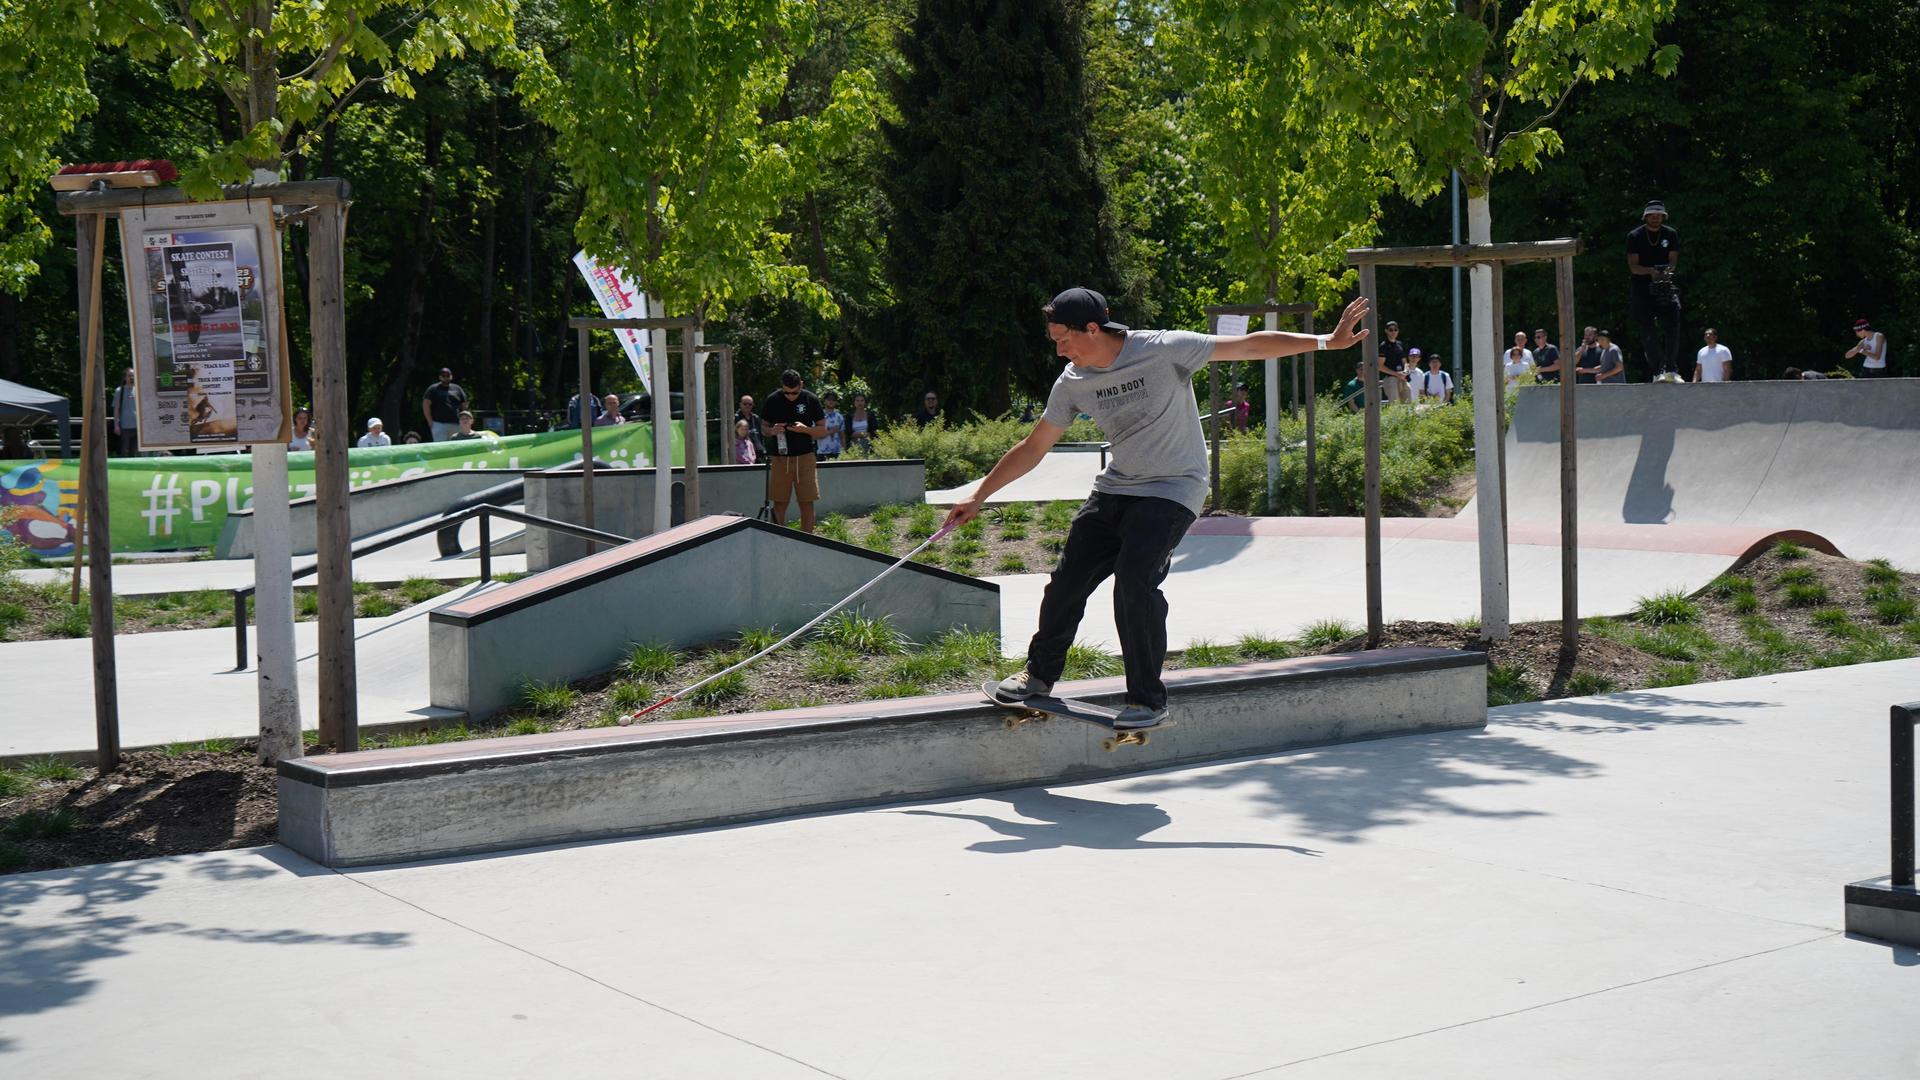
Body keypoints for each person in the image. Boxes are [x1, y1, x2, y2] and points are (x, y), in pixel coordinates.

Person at [953, 286, 1367, 729]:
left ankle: (1147, 700)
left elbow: (1248, 345)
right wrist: (979, 495)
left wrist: (1327, 341)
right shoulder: (1073, 381)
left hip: (1174, 488)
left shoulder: (1164, 348)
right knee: (1066, 583)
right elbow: (1034, 446)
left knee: (1134, 580)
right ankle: (1038, 675)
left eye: (1063, 339)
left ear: (1092, 328)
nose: (1058, 351)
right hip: (1115, 489)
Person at [758, 369, 827, 532]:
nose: (790, 396)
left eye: (794, 392)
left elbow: (822, 430)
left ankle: (808, 541)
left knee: (806, 502)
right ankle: (779, 540)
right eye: (787, 393)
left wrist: (805, 429)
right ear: (782, 387)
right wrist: (771, 431)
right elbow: (763, 428)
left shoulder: (811, 399)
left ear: (801, 384)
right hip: (780, 458)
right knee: (780, 502)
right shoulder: (773, 400)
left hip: (805, 457)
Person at [1627, 199, 1683, 379]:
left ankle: (1671, 369)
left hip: (1666, 287)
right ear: (1646, 216)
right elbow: (1633, 266)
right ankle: (1657, 371)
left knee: (1673, 325)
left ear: (1663, 216)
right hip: (1642, 289)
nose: (1655, 218)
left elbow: (1673, 260)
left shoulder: (1671, 234)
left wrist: (1666, 272)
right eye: (1652, 215)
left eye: (1658, 215)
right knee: (1648, 331)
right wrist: (1650, 272)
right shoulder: (1634, 236)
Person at [422, 367, 468, 441]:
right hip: (439, 424)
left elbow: (464, 405)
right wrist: (430, 421)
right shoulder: (433, 389)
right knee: (441, 448)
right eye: (443, 376)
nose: (446, 377)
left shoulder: (457, 388)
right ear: (440, 377)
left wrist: (464, 420)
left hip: (456, 424)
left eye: (448, 375)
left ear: (451, 376)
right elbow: (426, 404)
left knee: (457, 448)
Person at [1378, 320, 1410, 403]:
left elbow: (1405, 361)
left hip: (1402, 378)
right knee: (1395, 405)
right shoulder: (1383, 346)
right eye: (1391, 330)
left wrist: (1406, 371)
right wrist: (1396, 374)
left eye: (1395, 330)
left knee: (1408, 404)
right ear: (1386, 331)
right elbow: (1380, 366)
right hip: (1391, 379)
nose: (1393, 332)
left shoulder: (1400, 344)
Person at [111, 368, 140, 456]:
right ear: (125, 378)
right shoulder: (119, 391)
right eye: (129, 376)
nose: (132, 378)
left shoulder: (138, 390)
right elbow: (116, 409)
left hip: (137, 427)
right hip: (125, 426)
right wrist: (116, 425)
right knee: (124, 451)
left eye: (133, 376)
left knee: (134, 452)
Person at [735, 394, 766, 461]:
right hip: (743, 454)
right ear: (740, 404)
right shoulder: (736, 418)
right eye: (745, 404)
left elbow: (760, 435)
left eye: (750, 404)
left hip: (757, 453)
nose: (747, 406)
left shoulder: (756, 418)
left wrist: (763, 448)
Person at [818, 391, 845, 460]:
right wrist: (830, 431)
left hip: (837, 453)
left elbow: (842, 436)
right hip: (822, 453)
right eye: (829, 399)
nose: (831, 401)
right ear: (824, 401)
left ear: (836, 402)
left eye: (833, 399)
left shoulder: (840, 417)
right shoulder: (818, 416)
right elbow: (814, 436)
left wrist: (844, 451)